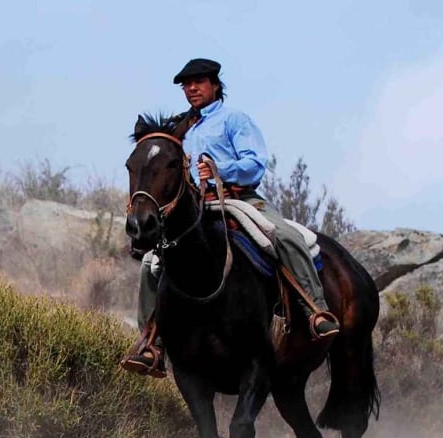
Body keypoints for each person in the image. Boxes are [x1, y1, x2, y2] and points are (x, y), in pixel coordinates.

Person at [122, 58, 341, 378]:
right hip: (193, 210)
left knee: (283, 235)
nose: (192, 89)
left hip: (237, 199)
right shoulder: (181, 127)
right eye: (187, 84)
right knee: (150, 263)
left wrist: (220, 170)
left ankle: (315, 309)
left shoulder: (233, 119)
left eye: (198, 82)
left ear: (214, 85)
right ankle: (151, 344)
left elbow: (255, 163)